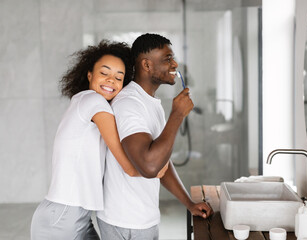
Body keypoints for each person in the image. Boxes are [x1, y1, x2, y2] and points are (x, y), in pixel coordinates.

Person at [31, 40, 167, 240]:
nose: (111, 80)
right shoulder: (94, 102)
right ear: (89, 75)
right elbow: (129, 167)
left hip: (76, 215)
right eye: (104, 73)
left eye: (118, 77)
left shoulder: (82, 102)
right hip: (63, 217)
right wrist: (157, 167)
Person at [97, 33, 213, 240]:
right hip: (124, 222)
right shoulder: (129, 104)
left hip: (144, 219)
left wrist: (189, 203)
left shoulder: (151, 103)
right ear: (147, 65)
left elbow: (161, 162)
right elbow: (149, 166)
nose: (175, 63)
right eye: (167, 58)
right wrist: (177, 115)